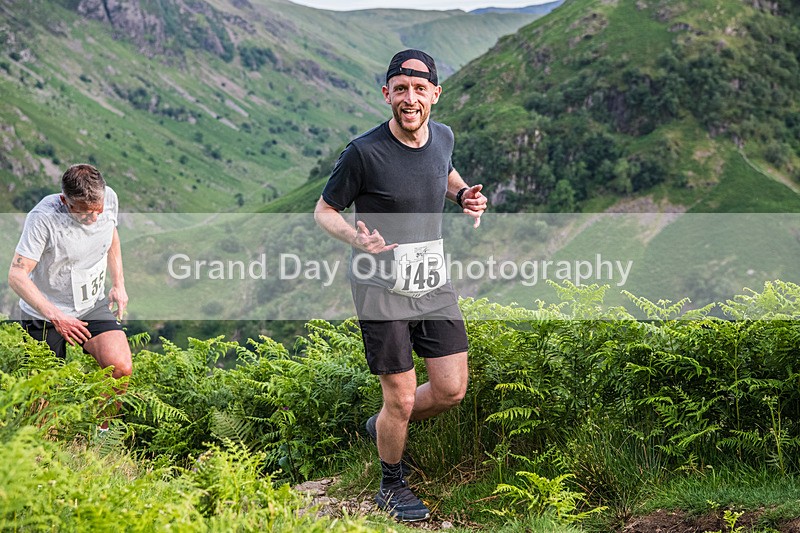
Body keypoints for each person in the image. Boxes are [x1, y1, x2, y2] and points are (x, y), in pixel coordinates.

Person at [314, 49, 487, 521]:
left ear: (436, 94)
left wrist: (463, 195)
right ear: (386, 94)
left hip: (431, 278)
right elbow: (324, 211)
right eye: (401, 89)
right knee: (403, 396)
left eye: (419, 89)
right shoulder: (363, 152)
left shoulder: (444, 136)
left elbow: (442, 170)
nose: (410, 99)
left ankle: (382, 425)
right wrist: (357, 238)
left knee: (451, 389)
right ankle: (391, 484)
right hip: (379, 285)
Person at [8, 163, 132, 386]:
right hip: (45, 315)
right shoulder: (43, 218)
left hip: (91, 304)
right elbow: (16, 274)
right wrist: (57, 317)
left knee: (120, 369)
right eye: (85, 213)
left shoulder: (109, 197)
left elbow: (110, 234)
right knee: (44, 395)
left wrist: (118, 284)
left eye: (98, 210)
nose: (94, 218)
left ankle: (100, 412)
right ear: (65, 201)